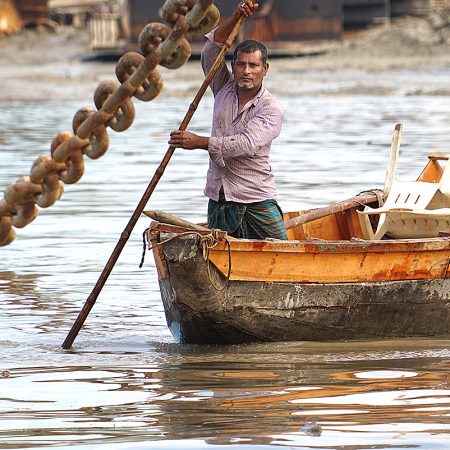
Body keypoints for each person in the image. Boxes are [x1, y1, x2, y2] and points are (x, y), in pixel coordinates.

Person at [168, 0, 287, 240]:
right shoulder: (222, 85)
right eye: (241, 64)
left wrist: (199, 142)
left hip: (255, 196)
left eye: (253, 66)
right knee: (218, 255)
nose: (247, 71)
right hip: (218, 195)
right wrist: (235, 17)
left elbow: (244, 144)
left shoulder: (270, 108)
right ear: (233, 66)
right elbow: (212, 49)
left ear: (265, 69)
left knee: (282, 252)